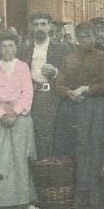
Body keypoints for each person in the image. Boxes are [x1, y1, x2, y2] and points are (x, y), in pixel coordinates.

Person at [54, 22, 104, 208]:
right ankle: (81, 195)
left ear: (95, 37)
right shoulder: (69, 59)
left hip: (96, 108)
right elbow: (59, 85)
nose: (86, 40)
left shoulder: (103, 58)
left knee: (95, 148)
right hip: (74, 109)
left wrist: (87, 89)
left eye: (89, 36)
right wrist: (70, 93)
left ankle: (98, 196)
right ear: (76, 39)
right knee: (77, 148)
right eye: (82, 37)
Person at [0, 30, 40, 209]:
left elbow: (28, 92)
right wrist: (0, 114)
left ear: (16, 47)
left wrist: (14, 113)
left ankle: (24, 200)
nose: (7, 49)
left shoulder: (22, 67)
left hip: (19, 117)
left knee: (19, 158)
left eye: (11, 45)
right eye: (3, 46)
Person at [16, 12, 73, 159]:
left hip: (54, 97)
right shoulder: (23, 51)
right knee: (35, 136)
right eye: (36, 25)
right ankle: (39, 173)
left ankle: (53, 174)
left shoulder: (62, 49)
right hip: (32, 97)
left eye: (43, 24)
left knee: (54, 135)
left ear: (50, 27)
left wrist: (55, 72)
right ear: (30, 28)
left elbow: (71, 75)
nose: (39, 28)